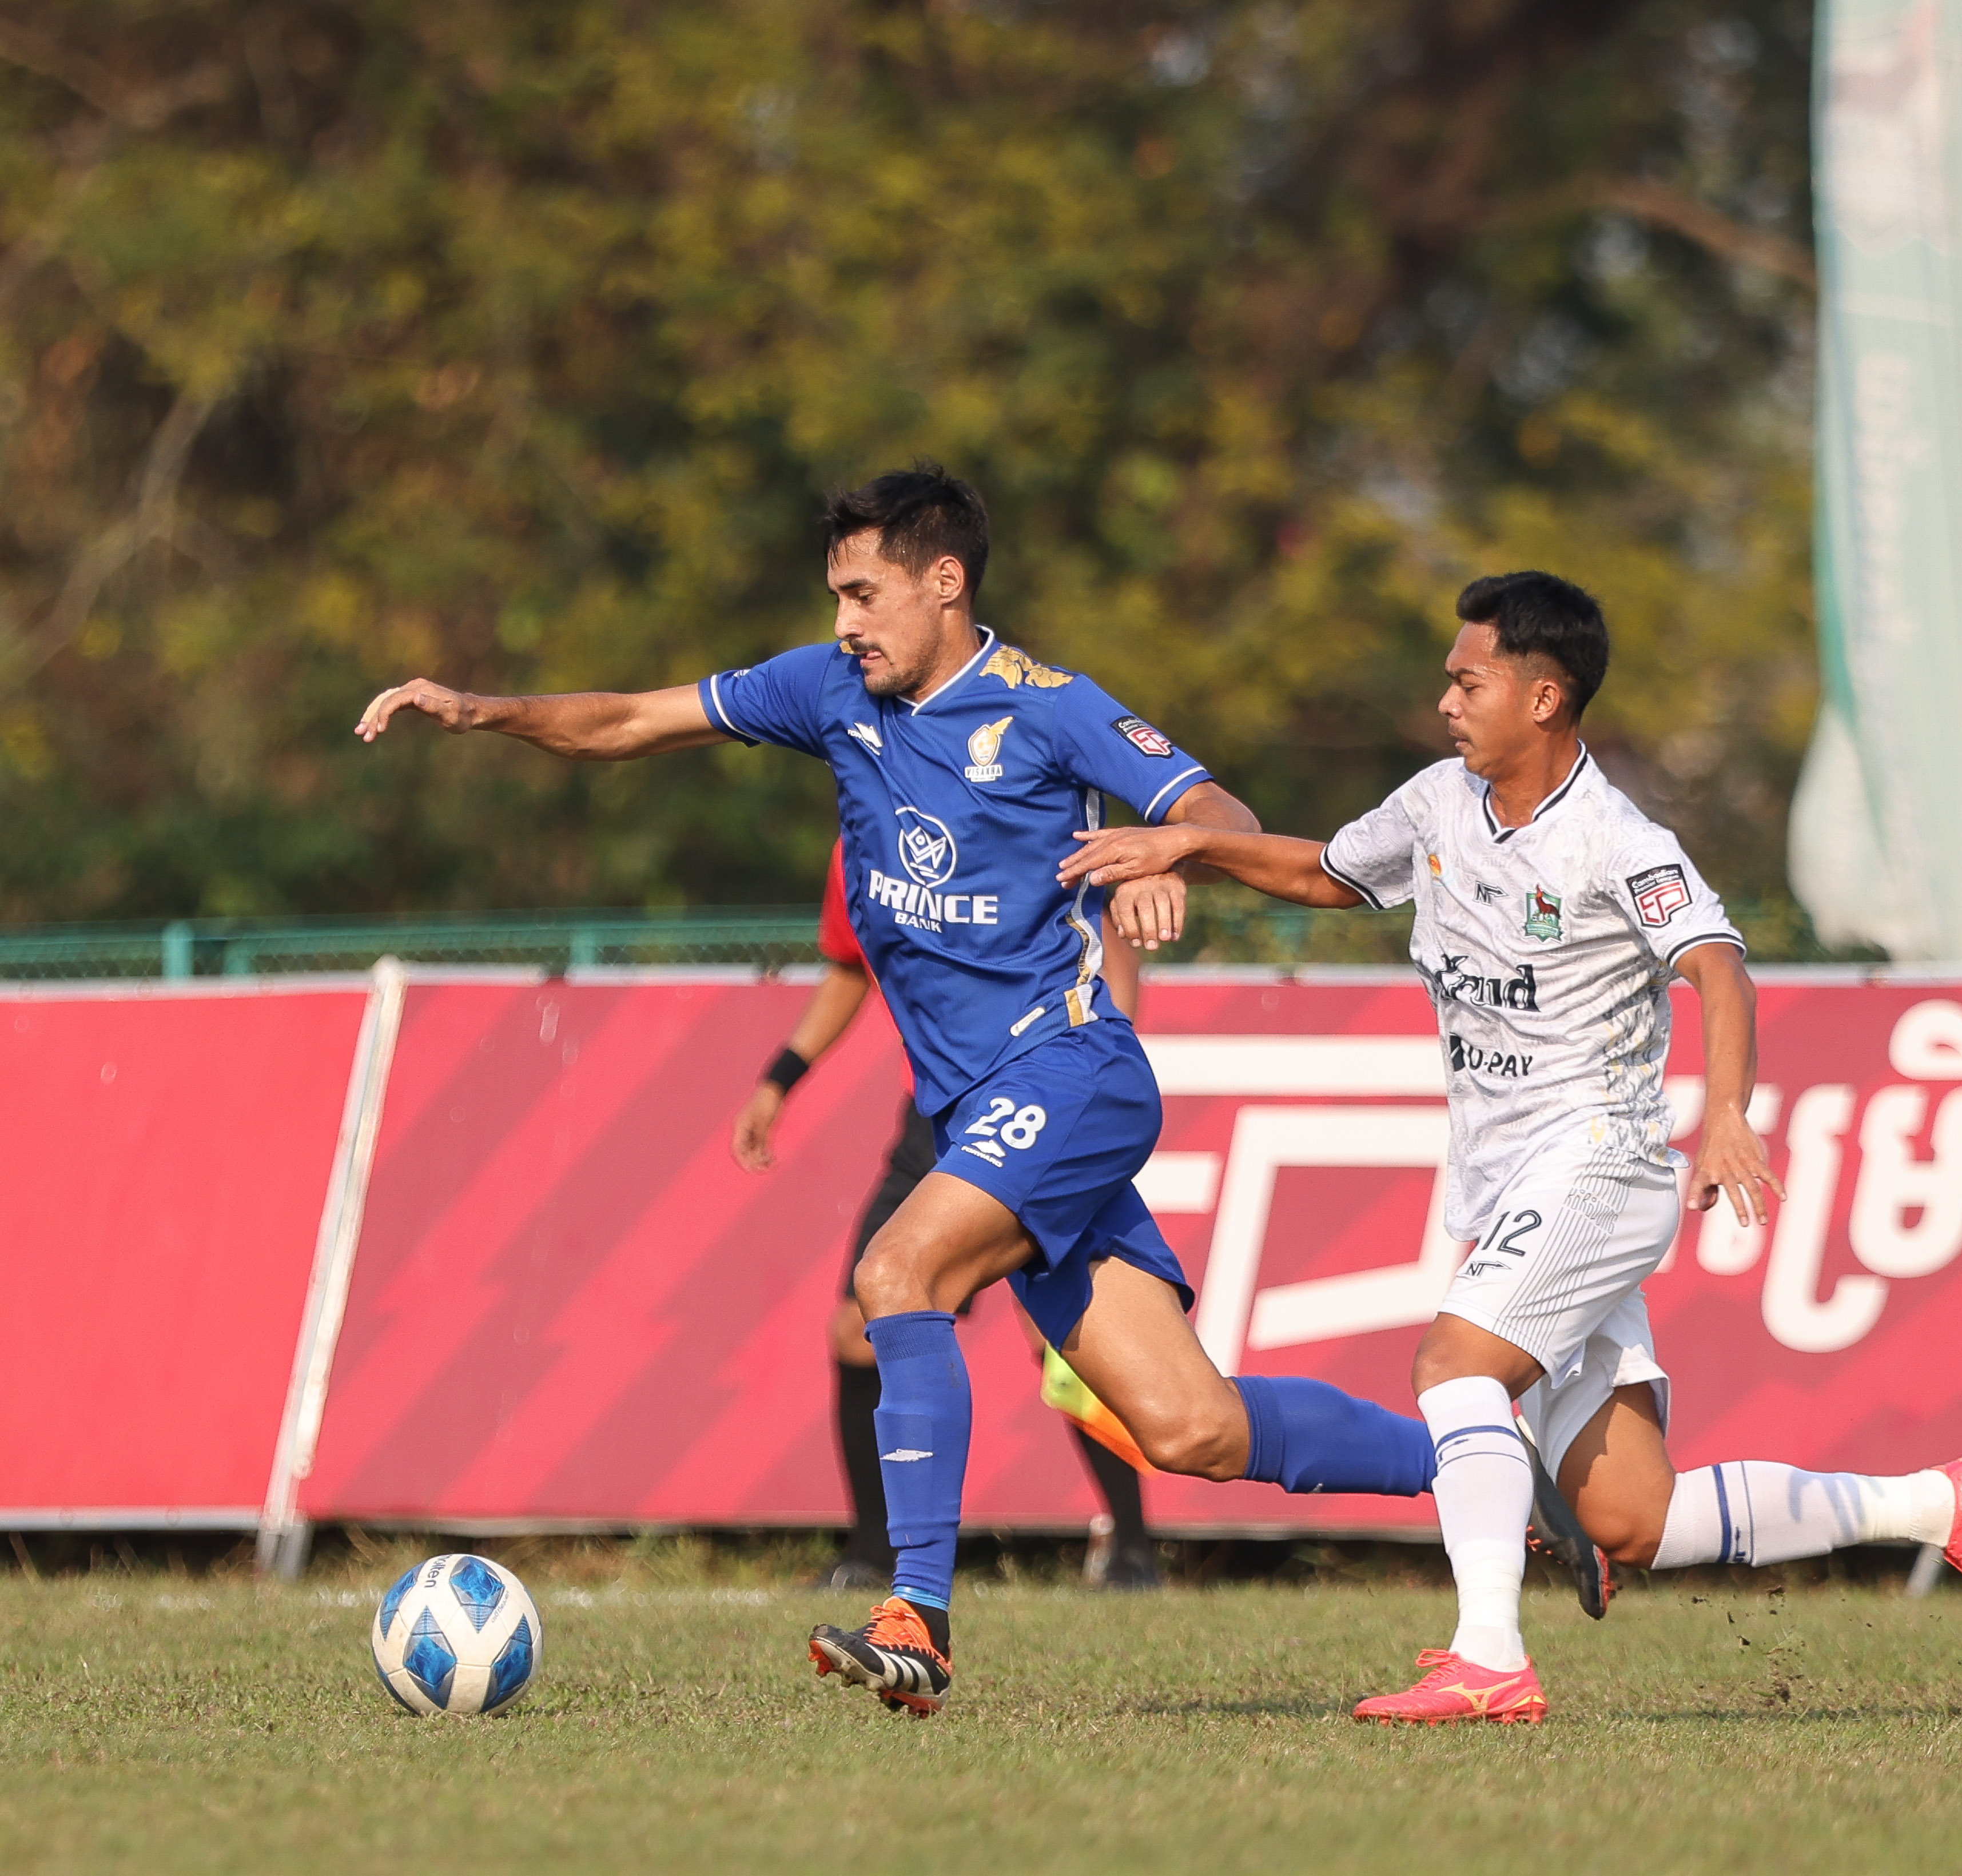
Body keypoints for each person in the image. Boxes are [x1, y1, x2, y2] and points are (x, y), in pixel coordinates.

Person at [354, 464, 1437, 1718]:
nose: (844, 623)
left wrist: (1174, 848)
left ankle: (915, 1611)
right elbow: (632, 723)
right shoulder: (829, 690)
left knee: (893, 1274)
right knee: (1188, 1428)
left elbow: (1211, 801)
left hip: (1073, 1071)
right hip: (979, 1106)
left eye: (864, 595)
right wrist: (480, 710)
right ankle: (1481, 1471)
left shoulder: (1050, 708)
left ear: (945, 582)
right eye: (835, 596)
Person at [1061, 569, 1962, 1727]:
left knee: (1452, 1370)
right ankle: (1941, 1504)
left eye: (1467, 680)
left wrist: (1727, 1112)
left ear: (1541, 697)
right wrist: (1186, 846)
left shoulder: (1615, 840)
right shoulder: (1438, 803)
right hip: (1512, 1183)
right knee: (1635, 1517)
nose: (1445, 700)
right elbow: (1326, 875)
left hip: (1598, 1166)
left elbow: (1719, 966)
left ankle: (1488, 1656)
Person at [732, 839, 1160, 1591]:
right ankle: (874, 1554)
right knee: (860, 1328)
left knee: (1064, 1335)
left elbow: (1109, 954)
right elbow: (850, 966)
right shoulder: (858, 846)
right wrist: (781, 1077)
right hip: (936, 1116)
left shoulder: (1021, 817)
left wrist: (1093, 1073)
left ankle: (1133, 1550)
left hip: (1043, 1104)